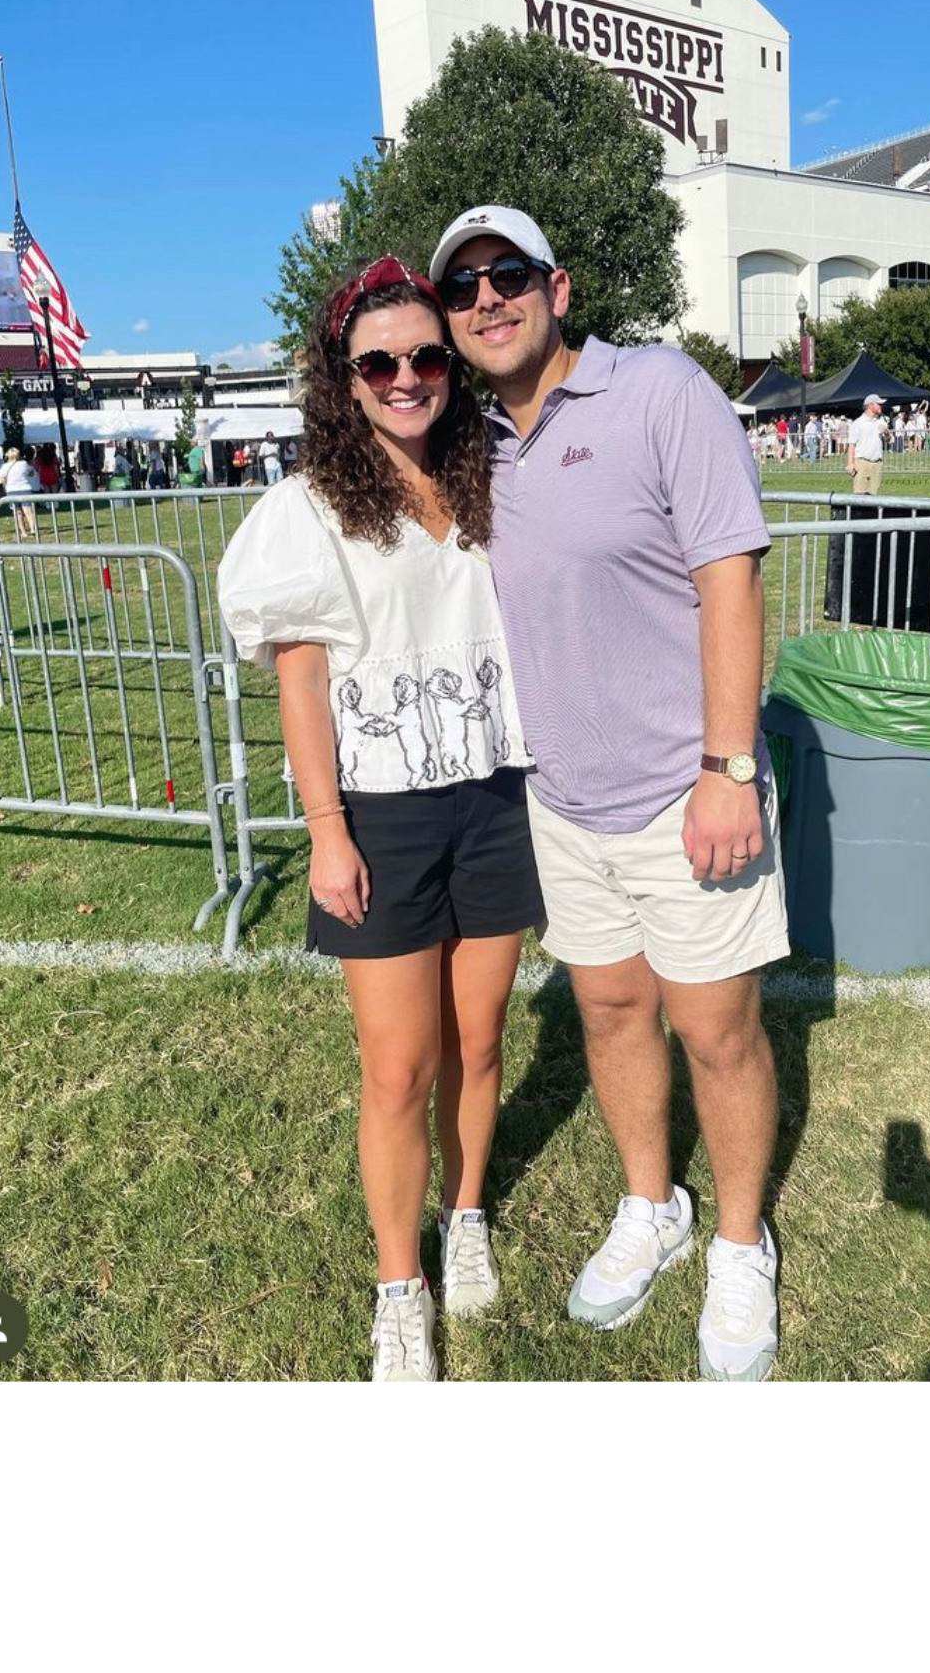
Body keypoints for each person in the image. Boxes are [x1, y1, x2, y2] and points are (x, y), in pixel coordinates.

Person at [428, 204, 792, 1383]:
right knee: (612, 1016)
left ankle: (742, 1238)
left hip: (688, 793)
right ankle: (654, 1203)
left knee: (716, 1031)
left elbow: (729, 577)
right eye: (463, 285)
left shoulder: (659, 392)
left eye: (509, 274)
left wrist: (728, 767)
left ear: (559, 286)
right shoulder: (477, 446)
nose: (487, 297)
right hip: (564, 804)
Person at [218, 255, 544, 1384]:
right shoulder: (304, 507)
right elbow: (300, 679)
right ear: (343, 378)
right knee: (399, 1065)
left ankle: (466, 1217)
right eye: (380, 361)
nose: (406, 376)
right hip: (384, 814)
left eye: (424, 356)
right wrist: (328, 830)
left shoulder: (492, 473)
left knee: (484, 1039)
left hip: (496, 792)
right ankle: (399, 1283)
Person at [847, 393, 886, 494]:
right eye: (878, 404)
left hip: (877, 463)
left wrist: (887, 433)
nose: (881, 406)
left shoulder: (880, 421)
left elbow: (890, 440)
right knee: (860, 495)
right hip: (862, 463)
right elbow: (851, 445)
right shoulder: (858, 423)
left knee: (873, 496)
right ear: (870, 405)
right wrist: (851, 463)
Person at [0, 444, 40, 538]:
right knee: (28, 510)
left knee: (17, 512)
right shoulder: (24, 464)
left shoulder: (4, 467)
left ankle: (23, 532)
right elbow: (31, 473)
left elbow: (1, 480)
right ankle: (33, 530)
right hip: (25, 488)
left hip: (12, 490)